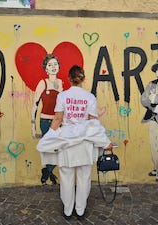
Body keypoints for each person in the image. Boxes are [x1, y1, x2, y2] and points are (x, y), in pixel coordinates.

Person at [37, 65, 113, 220]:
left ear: (69, 79)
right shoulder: (90, 97)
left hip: (66, 142)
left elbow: (57, 119)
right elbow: (93, 123)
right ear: (83, 79)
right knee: (84, 178)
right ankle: (80, 210)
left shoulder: (63, 96)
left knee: (66, 178)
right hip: (85, 143)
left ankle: (67, 210)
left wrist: (49, 137)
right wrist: (105, 142)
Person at [31, 54, 63, 185]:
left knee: (59, 149)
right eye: (50, 65)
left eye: (55, 64)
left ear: (59, 67)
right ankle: (49, 172)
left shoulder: (61, 83)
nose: (53, 67)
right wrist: (33, 127)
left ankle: (47, 172)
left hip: (58, 122)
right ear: (46, 69)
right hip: (45, 122)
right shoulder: (42, 83)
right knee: (49, 149)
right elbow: (35, 105)